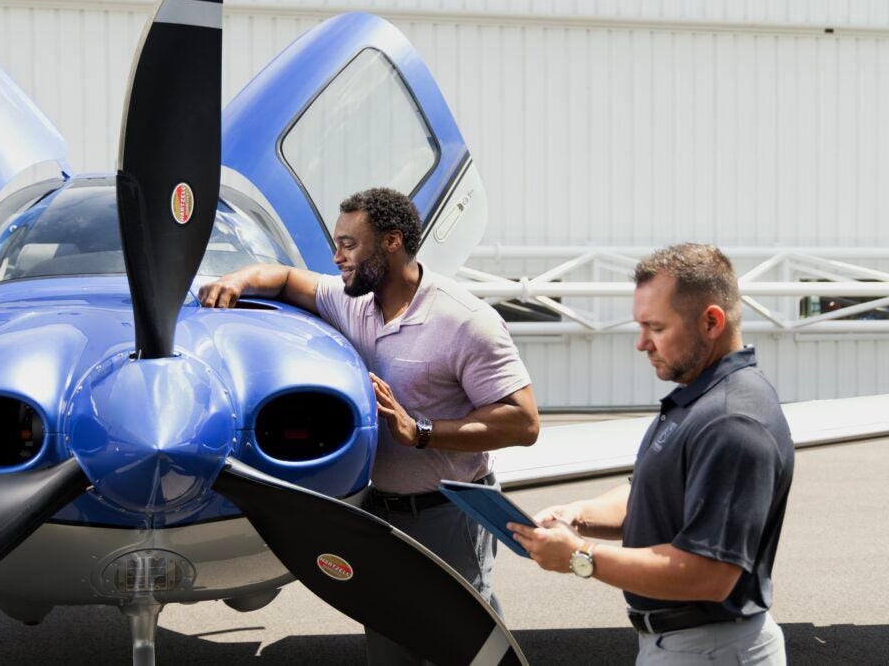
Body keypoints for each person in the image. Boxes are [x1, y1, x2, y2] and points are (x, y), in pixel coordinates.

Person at [199, 186, 539, 664]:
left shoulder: (465, 321)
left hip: (448, 515)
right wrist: (236, 280)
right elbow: (286, 278)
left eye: (349, 245)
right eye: (336, 244)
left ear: (392, 242)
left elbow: (523, 422)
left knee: (462, 649)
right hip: (376, 515)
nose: (337, 257)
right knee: (389, 647)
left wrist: (420, 431)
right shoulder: (351, 300)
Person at [508, 243, 793, 665]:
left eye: (655, 328)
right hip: (693, 646)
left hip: (710, 651)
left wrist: (579, 556)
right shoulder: (701, 399)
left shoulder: (732, 421)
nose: (642, 343)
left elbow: (709, 574)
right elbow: (653, 492)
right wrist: (578, 514)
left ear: (711, 322)